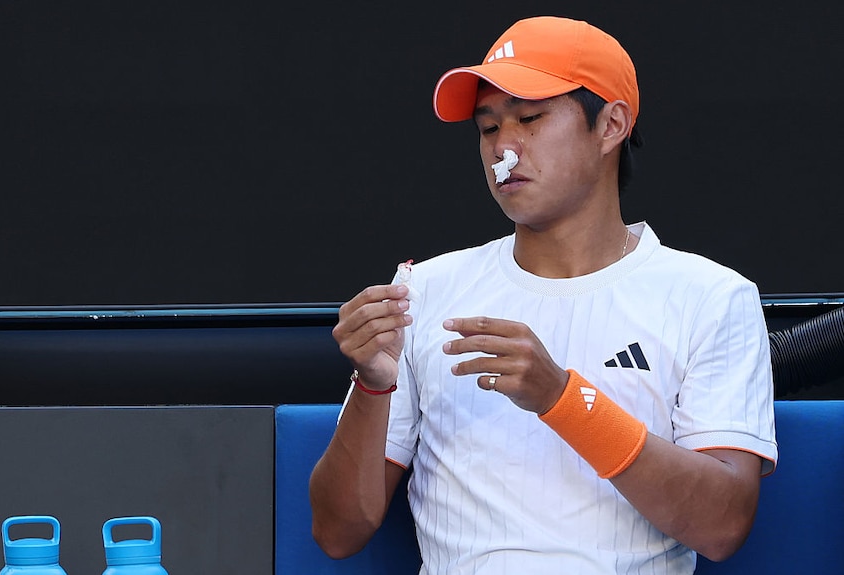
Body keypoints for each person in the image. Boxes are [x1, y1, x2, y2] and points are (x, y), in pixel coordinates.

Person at [309, 15, 778, 575]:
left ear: (611, 126)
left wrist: (562, 399)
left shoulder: (712, 296)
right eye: (487, 129)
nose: (503, 148)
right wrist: (372, 384)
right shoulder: (426, 290)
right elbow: (337, 534)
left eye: (529, 119)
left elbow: (723, 526)